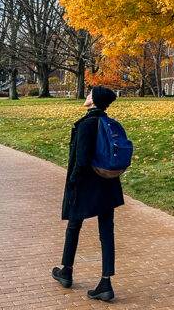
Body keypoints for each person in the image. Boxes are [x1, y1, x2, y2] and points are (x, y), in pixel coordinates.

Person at [52, 86, 123, 301]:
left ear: (95, 101)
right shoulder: (109, 124)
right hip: (108, 183)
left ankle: (67, 270)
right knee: (106, 232)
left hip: (85, 185)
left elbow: (81, 161)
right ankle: (105, 282)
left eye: (90, 94)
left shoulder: (86, 125)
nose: (87, 96)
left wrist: (72, 183)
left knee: (74, 226)